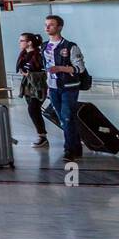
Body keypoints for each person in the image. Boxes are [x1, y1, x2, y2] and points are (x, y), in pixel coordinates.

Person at [43, 15, 87, 160]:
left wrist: (61, 68)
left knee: (67, 117)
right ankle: (76, 146)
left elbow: (79, 68)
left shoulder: (70, 46)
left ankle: (69, 149)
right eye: (46, 25)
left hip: (69, 87)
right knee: (63, 119)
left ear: (59, 27)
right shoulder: (44, 46)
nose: (47, 27)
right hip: (53, 87)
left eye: (51, 25)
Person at [16, 32, 49, 148]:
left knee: (33, 109)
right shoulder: (24, 54)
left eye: (21, 41)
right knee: (35, 110)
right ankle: (42, 136)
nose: (19, 43)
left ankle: (42, 136)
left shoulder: (39, 55)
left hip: (39, 87)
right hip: (28, 87)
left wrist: (29, 74)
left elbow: (45, 71)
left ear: (29, 42)